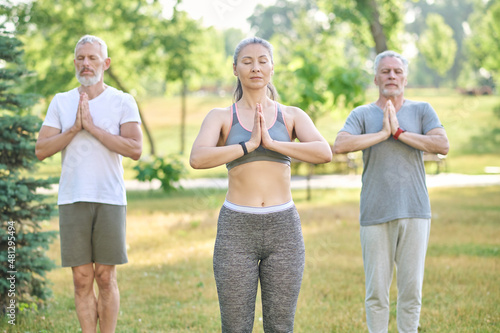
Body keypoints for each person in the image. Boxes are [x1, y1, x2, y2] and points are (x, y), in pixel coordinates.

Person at [190, 37, 332, 332]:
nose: (256, 67)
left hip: (284, 229)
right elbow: (198, 158)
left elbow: (323, 152)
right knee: (235, 326)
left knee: (281, 326)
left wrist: (273, 143)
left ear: (272, 68)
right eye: (247, 61)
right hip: (236, 229)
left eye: (262, 60)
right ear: (235, 69)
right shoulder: (220, 117)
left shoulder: (291, 115)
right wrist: (248, 145)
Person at [333, 50, 449, 333]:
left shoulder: (422, 110)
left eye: (397, 71)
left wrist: (399, 133)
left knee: (411, 292)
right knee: (376, 294)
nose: (392, 76)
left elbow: (442, 145)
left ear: (405, 78)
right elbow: (340, 145)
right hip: (375, 212)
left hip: (415, 210)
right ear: (376, 78)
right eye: (385, 71)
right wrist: (382, 134)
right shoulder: (362, 114)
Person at [35, 35, 142, 333]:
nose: (85, 63)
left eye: (92, 58)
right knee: (81, 278)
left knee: (106, 277)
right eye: (80, 58)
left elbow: (135, 149)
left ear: (105, 63)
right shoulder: (62, 101)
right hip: (72, 198)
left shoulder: (122, 101)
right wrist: (74, 129)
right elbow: (41, 150)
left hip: (109, 198)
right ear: (74, 62)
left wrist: (93, 129)